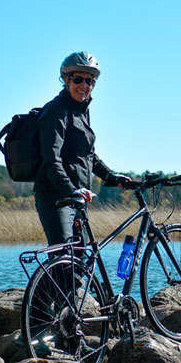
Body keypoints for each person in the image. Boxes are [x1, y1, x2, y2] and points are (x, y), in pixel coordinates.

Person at [34, 51, 130, 247]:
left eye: (90, 81)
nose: (84, 86)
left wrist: (111, 177)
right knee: (64, 258)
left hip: (78, 197)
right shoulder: (55, 111)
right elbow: (51, 160)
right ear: (65, 79)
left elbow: (88, 155)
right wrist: (71, 190)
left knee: (79, 261)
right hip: (56, 197)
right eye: (78, 79)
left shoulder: (82, 112)